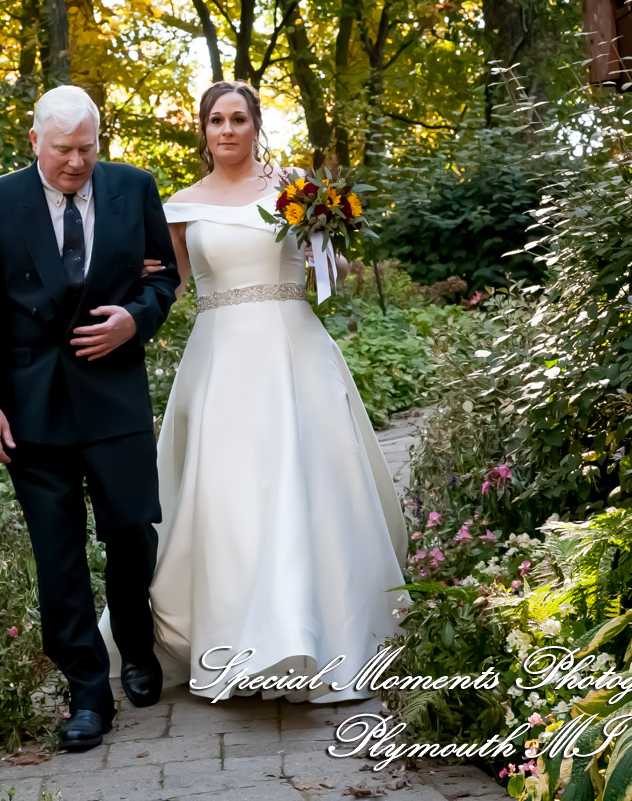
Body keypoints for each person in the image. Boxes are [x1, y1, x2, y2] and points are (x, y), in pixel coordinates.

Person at [96, 79, 411, 703]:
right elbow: (169, 286)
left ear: (256, 124)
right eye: (216, 120)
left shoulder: (294, 190)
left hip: (296, 353)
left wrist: (328, 226)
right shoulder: (181, 207)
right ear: (204, 130)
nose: (227, 130)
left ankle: (317, 637)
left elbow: (335, 276)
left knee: (308, 486)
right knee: (230, 499)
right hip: (220, 364)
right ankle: (237, 639)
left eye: (239, 118)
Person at [0, 84, 181, 750]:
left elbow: (163, 277)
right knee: (57, 556)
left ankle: (137, 650)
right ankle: (87, 691)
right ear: (34, 142)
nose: (76, 162)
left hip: (114, 396)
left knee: (132, 532)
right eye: (62, 150)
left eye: (86, 148)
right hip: (32, 408)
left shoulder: (133, 188)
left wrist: (134, 320)